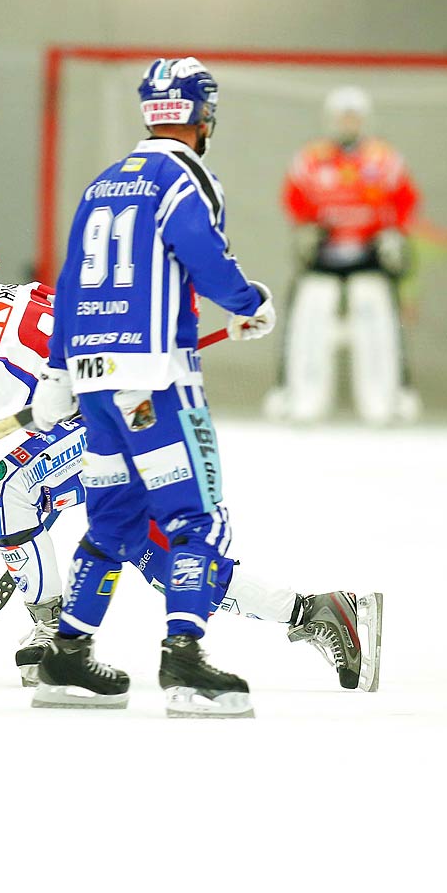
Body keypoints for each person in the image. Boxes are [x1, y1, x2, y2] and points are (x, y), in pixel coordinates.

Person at [0, 227, 383, 691]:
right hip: (144, 412)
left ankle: (53, 632)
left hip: (105, 425)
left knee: (3, 491)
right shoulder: (29, 295)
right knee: (160, 556)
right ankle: (315, 611)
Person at [31, 57, 277, 718]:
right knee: (197, 517)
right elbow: (200, 250)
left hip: (93, 384)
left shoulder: (103, 184)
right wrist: (247, 301)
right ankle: (184, 658)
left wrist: (58, 372)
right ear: (204, 116)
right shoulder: (185, 178)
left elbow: (74, 285)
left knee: (112, 522)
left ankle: (67, 654)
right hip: (154, 384)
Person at [272, 86, 447, 425]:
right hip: (323, 259)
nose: (348, 123)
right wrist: (305, 230)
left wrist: (393, 233)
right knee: (309, 324)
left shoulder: (384, 159)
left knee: (379, 328)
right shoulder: (310, 159)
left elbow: (406, 201)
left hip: (370, 259)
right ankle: (300, 398)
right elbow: (293, 200)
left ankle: (387, 399)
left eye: (354, 116)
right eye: (342, 116)